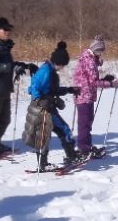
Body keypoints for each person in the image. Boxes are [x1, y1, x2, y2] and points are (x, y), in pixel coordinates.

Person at [0, 17, 36, 158]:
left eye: (9, 29)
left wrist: (23, 65)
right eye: (5, 29)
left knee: (5, 120)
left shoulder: (2, 46)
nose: (8, 32)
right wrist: (12, 68)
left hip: (3, 88)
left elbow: (7, 64)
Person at [27, 41, 81, 171]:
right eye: (63, 65)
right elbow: (33, 87)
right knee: (60, 131)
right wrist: (40, 100)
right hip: (42, 107)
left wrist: (69, 90)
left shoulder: (50, 70)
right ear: (58, 62)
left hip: (48, 106)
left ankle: (49, 161)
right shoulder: (45, 71)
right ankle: (68, 156)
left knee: (51, 133)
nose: (63, 68)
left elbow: (53, 90)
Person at [72, 35, 118, 159]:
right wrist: (110, 84)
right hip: (84, 95)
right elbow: (93, 82)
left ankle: (86, 146)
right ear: (95, 49)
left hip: (85, 94)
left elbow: (92, 79)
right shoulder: (89, 61)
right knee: (84, 123)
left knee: (87, 122)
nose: (101, 53)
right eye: (100, 51)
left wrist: (104, 79)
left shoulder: (88, 58)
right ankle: (83, 148)